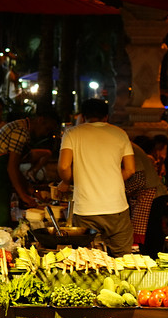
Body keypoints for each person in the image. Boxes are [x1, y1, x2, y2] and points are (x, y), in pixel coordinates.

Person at [57, 99, 135, 256]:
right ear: (106, 116)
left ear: (83, 116)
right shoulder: (120, 134)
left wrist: (67, 181)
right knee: (122, 260)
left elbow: (64, 166)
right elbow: (130, 169)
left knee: (89, 260)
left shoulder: (72, 133)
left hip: (86, 210)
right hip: (117, 208)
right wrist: (110, 179)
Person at [0, 110, 60, 228]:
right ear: (40, 120)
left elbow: (13, 168)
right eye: (47, 129)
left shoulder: (21, 128)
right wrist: (23, 195)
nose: (45, 134)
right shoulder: (21, 131)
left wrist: (29, 190)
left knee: (3, 221)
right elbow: (12, 167)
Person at [126, 141, 168, 255]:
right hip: (152, 194)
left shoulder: (128, 149)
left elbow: (139, 180)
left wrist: (121, 190)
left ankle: (151, 261)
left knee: (150, 235)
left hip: (152, 195)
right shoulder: (129, 146)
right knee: (152, 234)